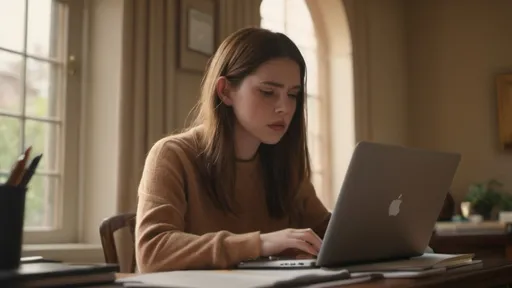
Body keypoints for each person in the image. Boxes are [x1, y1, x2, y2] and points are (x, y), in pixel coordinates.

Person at [135, 27, 331, 273]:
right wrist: (259, 243)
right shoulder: (172, 155)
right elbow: (152, 252)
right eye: (268, 92)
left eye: (293, 94)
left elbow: (327, 231)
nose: (285, 107)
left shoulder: (284, 165)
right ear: (225, 91)